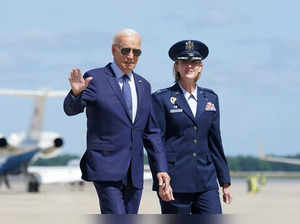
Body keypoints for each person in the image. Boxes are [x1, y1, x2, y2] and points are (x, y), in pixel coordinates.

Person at [63, 29, 173, 214]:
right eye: (126, 50)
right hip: (106, 167)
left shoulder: (143, 85)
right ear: (114, 50)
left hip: (135, 172)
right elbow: (70, 110)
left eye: (136, 52)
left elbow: (152, 132)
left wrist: (161, 168)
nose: (131, 56)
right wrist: (76, 93)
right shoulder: (96, 78)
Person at [151, 40, 232, 214]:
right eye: (184, 62)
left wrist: (224, 181)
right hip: (174, 181)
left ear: (201, 66)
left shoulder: (211, 98)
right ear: (177, 66)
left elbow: (215, 141)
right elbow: (156, 142)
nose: (189, 66)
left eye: (194, 62)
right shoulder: (162, 99)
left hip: (206, 181)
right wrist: (161, 176)